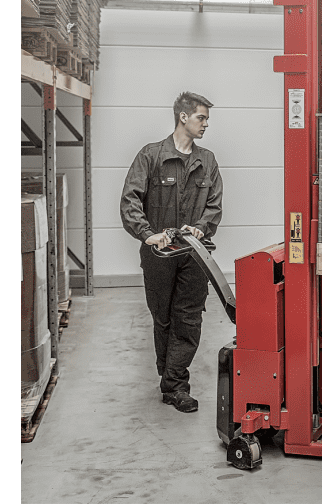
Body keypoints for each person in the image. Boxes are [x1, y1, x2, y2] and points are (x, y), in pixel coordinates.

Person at [120, 91, 223, 413]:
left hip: (194, 255)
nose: (206, 124)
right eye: (201, 117)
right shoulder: (151, 156)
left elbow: (214, 206)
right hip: (159, 256)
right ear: (183, 117)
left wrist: (201, 227)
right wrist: (147, 234)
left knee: (188, 319)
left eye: (206, 119)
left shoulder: (207, 161)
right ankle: (169, 378)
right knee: (162, 318)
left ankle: (176, 384)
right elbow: (130, 199)